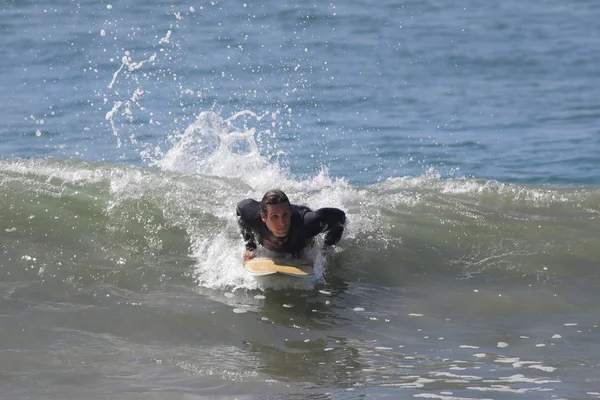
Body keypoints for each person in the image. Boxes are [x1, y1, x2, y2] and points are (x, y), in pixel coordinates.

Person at [236, 189, 346, 261]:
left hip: (300, 235)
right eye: (274, 217)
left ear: (290, 212)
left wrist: (325, 251)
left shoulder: (307, 223)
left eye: (285, 214)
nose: (282, 223)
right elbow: (239, 209)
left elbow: (340, 217)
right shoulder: (251, 216)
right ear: (264, 217)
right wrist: (250, 247)